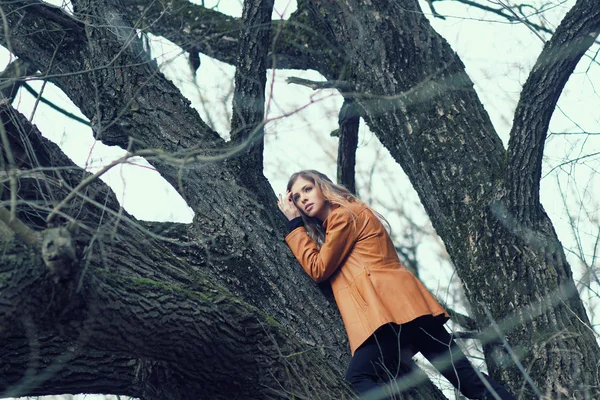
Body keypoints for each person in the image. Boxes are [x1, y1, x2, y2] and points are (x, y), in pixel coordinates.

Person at [277, 170, 516, 400]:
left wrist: (294, 225)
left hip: (390, 313)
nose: (303, 198)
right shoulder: (341, 222)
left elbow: (318, 268)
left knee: (358, 378)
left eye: (307, 189)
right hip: (410, 309)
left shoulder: (342, 216)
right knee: (470, 382)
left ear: (323, 187)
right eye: (296, 197)